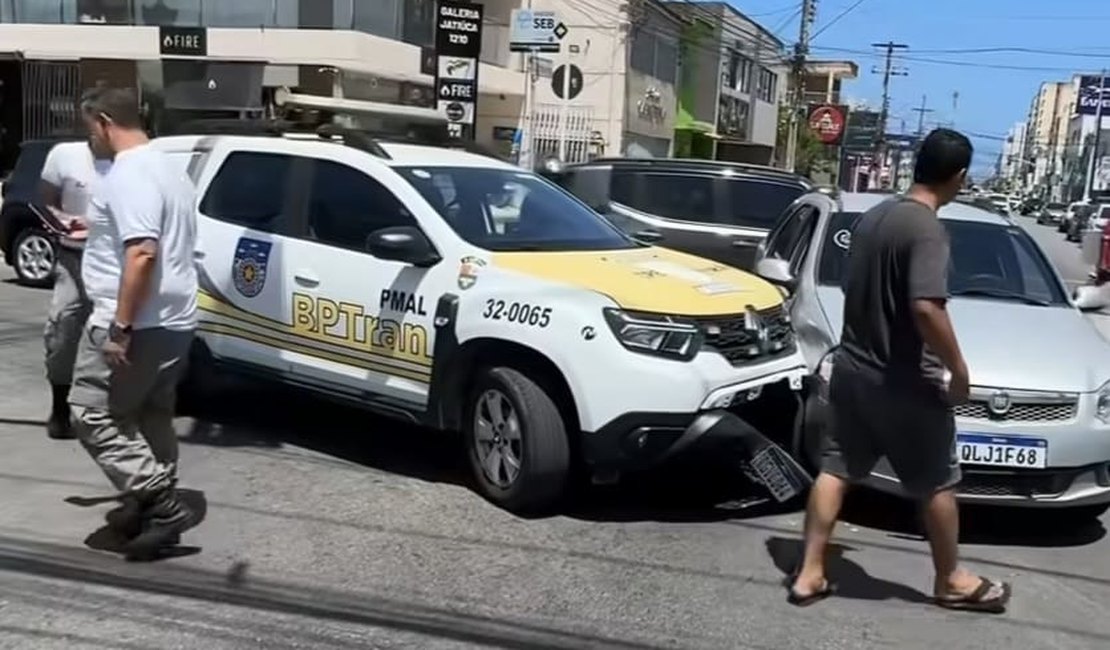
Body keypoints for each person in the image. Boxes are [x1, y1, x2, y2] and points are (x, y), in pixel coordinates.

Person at [788, 129, 1012, 613]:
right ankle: (951, 578)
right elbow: (927, 306)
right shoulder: (926, 228)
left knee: (836, 468)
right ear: (958, 177)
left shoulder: (874, 219)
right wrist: (959, 370)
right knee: (937, 481)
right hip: (905, 381)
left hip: (853, 369)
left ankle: (808, 573)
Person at [68, 85, 200, 558]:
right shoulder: (169, 168)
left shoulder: (130, 173)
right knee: (149, 414)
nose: (91, 142)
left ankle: (161, 504)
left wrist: (120, 327)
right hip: (174, 319)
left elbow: (143, 252)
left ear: (105, 121)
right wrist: (95, 230)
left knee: (92, 413)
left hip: (136, 322)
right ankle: (149, 504)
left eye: (91, 131)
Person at [39, 139, 112, 439]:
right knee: (64, 329)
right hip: (74, 258)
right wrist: (63, 220)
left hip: (116, 261)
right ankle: (60, 408)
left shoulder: (136, 160)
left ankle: (110, 412)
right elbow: (45, 200)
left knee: (116, 334)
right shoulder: (65, 154)